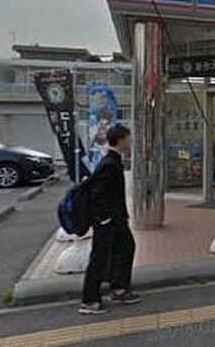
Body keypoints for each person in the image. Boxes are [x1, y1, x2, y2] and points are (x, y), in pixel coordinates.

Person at [79, 124, 141, 314]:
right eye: (129, 138)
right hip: (107, 220)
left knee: (125, 248)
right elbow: (98, 194)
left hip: (115, 218)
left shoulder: (112, 160)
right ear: (121, 140)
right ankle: (89, 300)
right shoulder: (109, 163)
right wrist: (104, 219)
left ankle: (118, 289)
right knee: (100, 257)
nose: (131, 142)